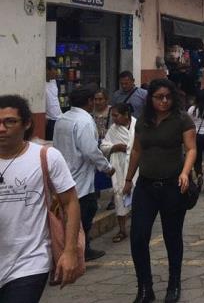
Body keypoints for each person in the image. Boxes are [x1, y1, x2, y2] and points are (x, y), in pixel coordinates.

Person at [0, 95, 82, 301]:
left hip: (29, 262)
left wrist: (70, 250)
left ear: (27, 123)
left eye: (10, 121)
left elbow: (70, 202)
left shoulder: (45, 157)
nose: (2, 128)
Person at [123, 78, 196, 303]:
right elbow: (136, 150)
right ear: (150, 98)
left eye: (167, 96)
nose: (164, 101)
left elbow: (191, 148)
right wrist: (128, 179)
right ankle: (145, 287)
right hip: (145, 186)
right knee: (138, 237)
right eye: (158, 97)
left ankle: (174, 284)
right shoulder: (143, 120)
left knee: (172, 237)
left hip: (172, 186)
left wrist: (185, 172)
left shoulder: (182, 119)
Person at [53, 85, 114, 262]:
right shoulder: (85, 121)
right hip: (80, 178)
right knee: (86, 213)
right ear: (89, 102)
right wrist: (107, 167)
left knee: (70, 215)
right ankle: (82, 249)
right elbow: (90, 150)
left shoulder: (62, 118)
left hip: (63, 174)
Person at [100, 103, 136, 243]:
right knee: (119, 197)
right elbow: (104, 146)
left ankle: (138, 227)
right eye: (112, 116)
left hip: (135, 167)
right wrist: (115, 147)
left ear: (126, 114)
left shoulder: (137, 126)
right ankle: (122, 230)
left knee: (137, 197)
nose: (114, 119)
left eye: (116, 115)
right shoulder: (113, 130)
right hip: (119, 168)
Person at [45, 58, 62, 140]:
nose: (56, 72)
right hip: (50, 121)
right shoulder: (41, 84)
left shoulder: (54, 82)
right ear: (47, 70)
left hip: (59, 119)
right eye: (54, 69)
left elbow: (55, 100)